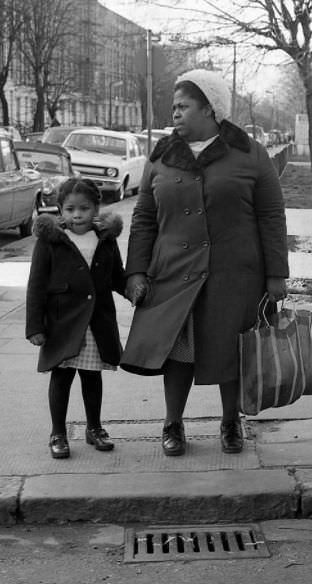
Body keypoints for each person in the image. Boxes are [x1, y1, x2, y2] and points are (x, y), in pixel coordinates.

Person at [122, 68, 289, 457]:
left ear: (210, 109)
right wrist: (136, 271)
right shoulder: (162, 155)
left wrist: (277, 274)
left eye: (183, 106)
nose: (175, 113)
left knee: (232, 350)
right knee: (176, 353)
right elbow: (144, 217)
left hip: (233, 275)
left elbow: (271, 215)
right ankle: (172, 423)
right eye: (173, 107)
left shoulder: (249, 153)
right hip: (173, 275)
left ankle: (231, 422)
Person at [26, 178, 127, 459]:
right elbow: (36, 284)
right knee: (61, 376)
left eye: (84, 208)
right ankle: (57, 432)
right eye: (70, 209)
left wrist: (136, 291)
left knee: (92, 376)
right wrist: (35, 326)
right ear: (60, 210)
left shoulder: (105, 238)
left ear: (97, 208)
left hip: (96, 321)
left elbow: (116, 276)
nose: (77, 215)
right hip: (62, 322)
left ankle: (94, 428)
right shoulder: (51, 241)